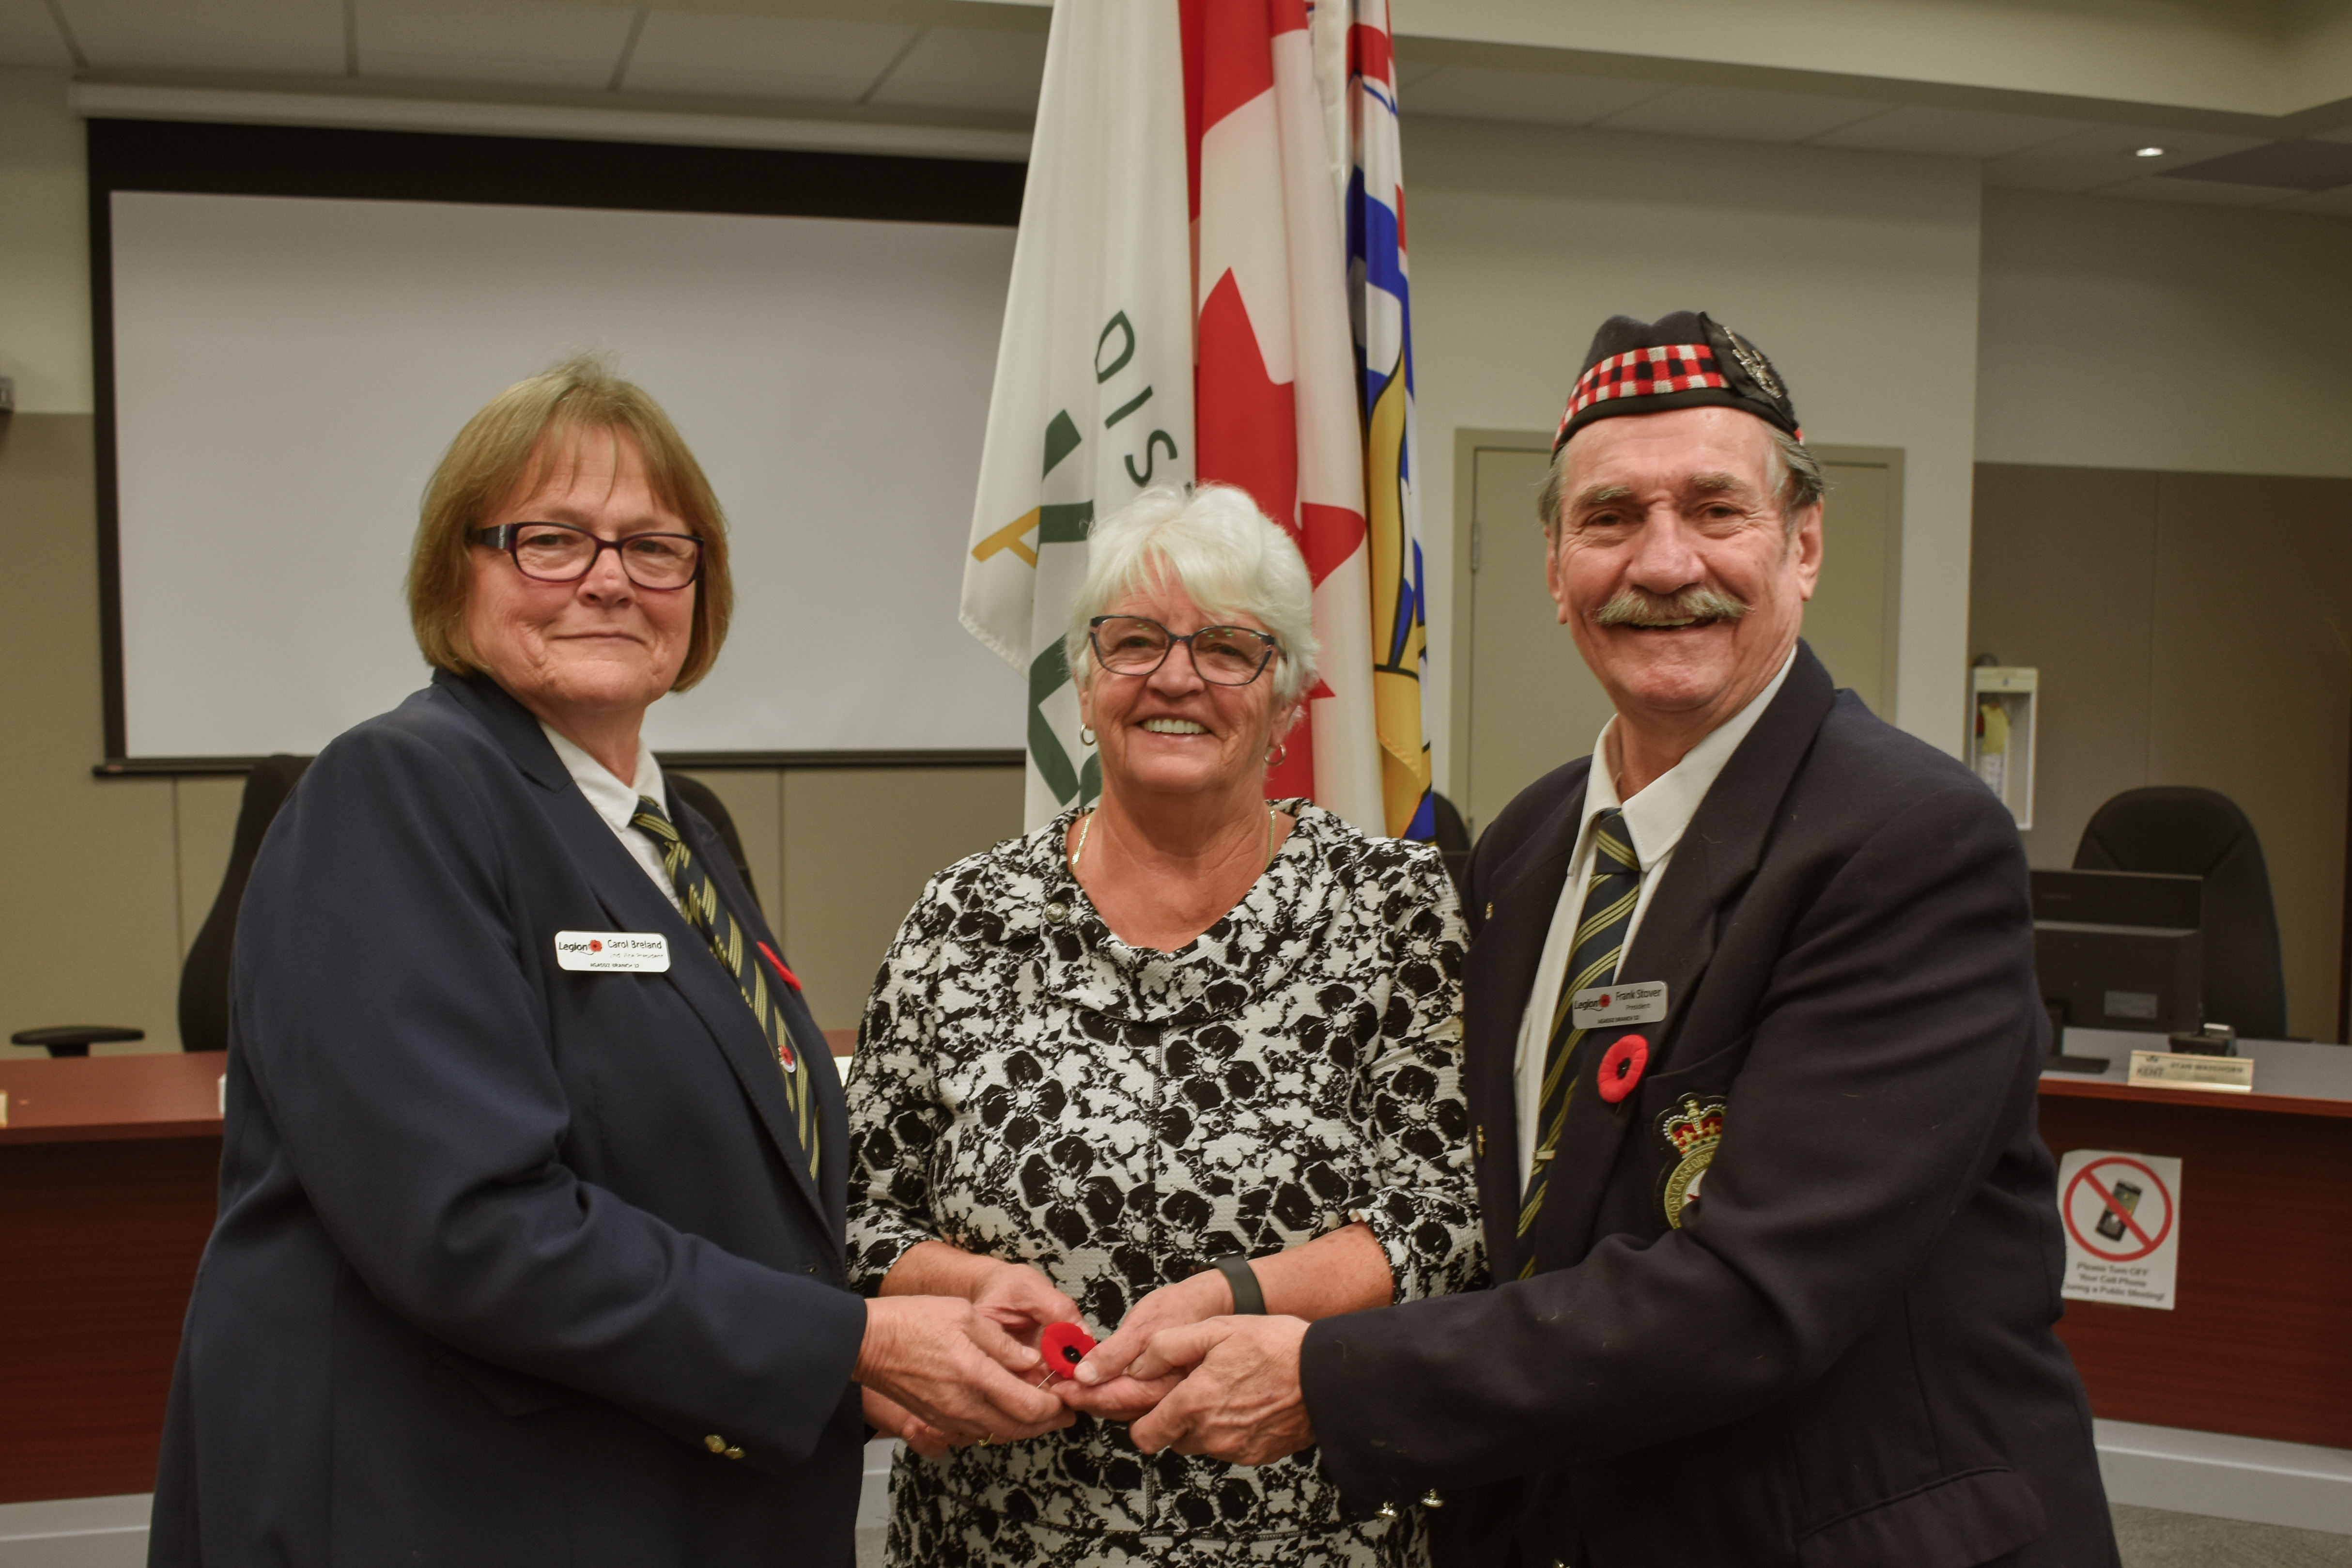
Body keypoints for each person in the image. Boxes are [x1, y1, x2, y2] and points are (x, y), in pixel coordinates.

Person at [1117, 314, 2120, 1568]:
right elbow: (1520, 1227)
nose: (1662, 561)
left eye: (1714, 508)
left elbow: (1757, 1295)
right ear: (1553, 564)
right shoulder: (1529, 848)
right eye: (1609, 518)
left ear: (1803, 543)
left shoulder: (1913, 844)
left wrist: (1328, 1375)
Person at [148, 358, 1067, 1568]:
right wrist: (846, 1344)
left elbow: (726, 1176)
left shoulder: (679, 829)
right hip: (450, 1505)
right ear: (454, 573)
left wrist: (904, 1309)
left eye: (653, 547)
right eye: (549, 540)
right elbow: (472, 1225)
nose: (607, 580)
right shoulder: (398, 791)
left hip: (655, 1485)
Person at [845, 483, 1481, 1568]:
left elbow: (1444, 1214)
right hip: (996, 1532)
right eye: (1134, 641)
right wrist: (967, 1286)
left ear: (1287, 697)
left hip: (1312, 1535)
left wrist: (1236, 1293)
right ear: (1087, 686)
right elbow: (859, 1210)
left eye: (1228, 647)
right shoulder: (963, 916)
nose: (1175, 676)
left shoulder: (1401, 911)